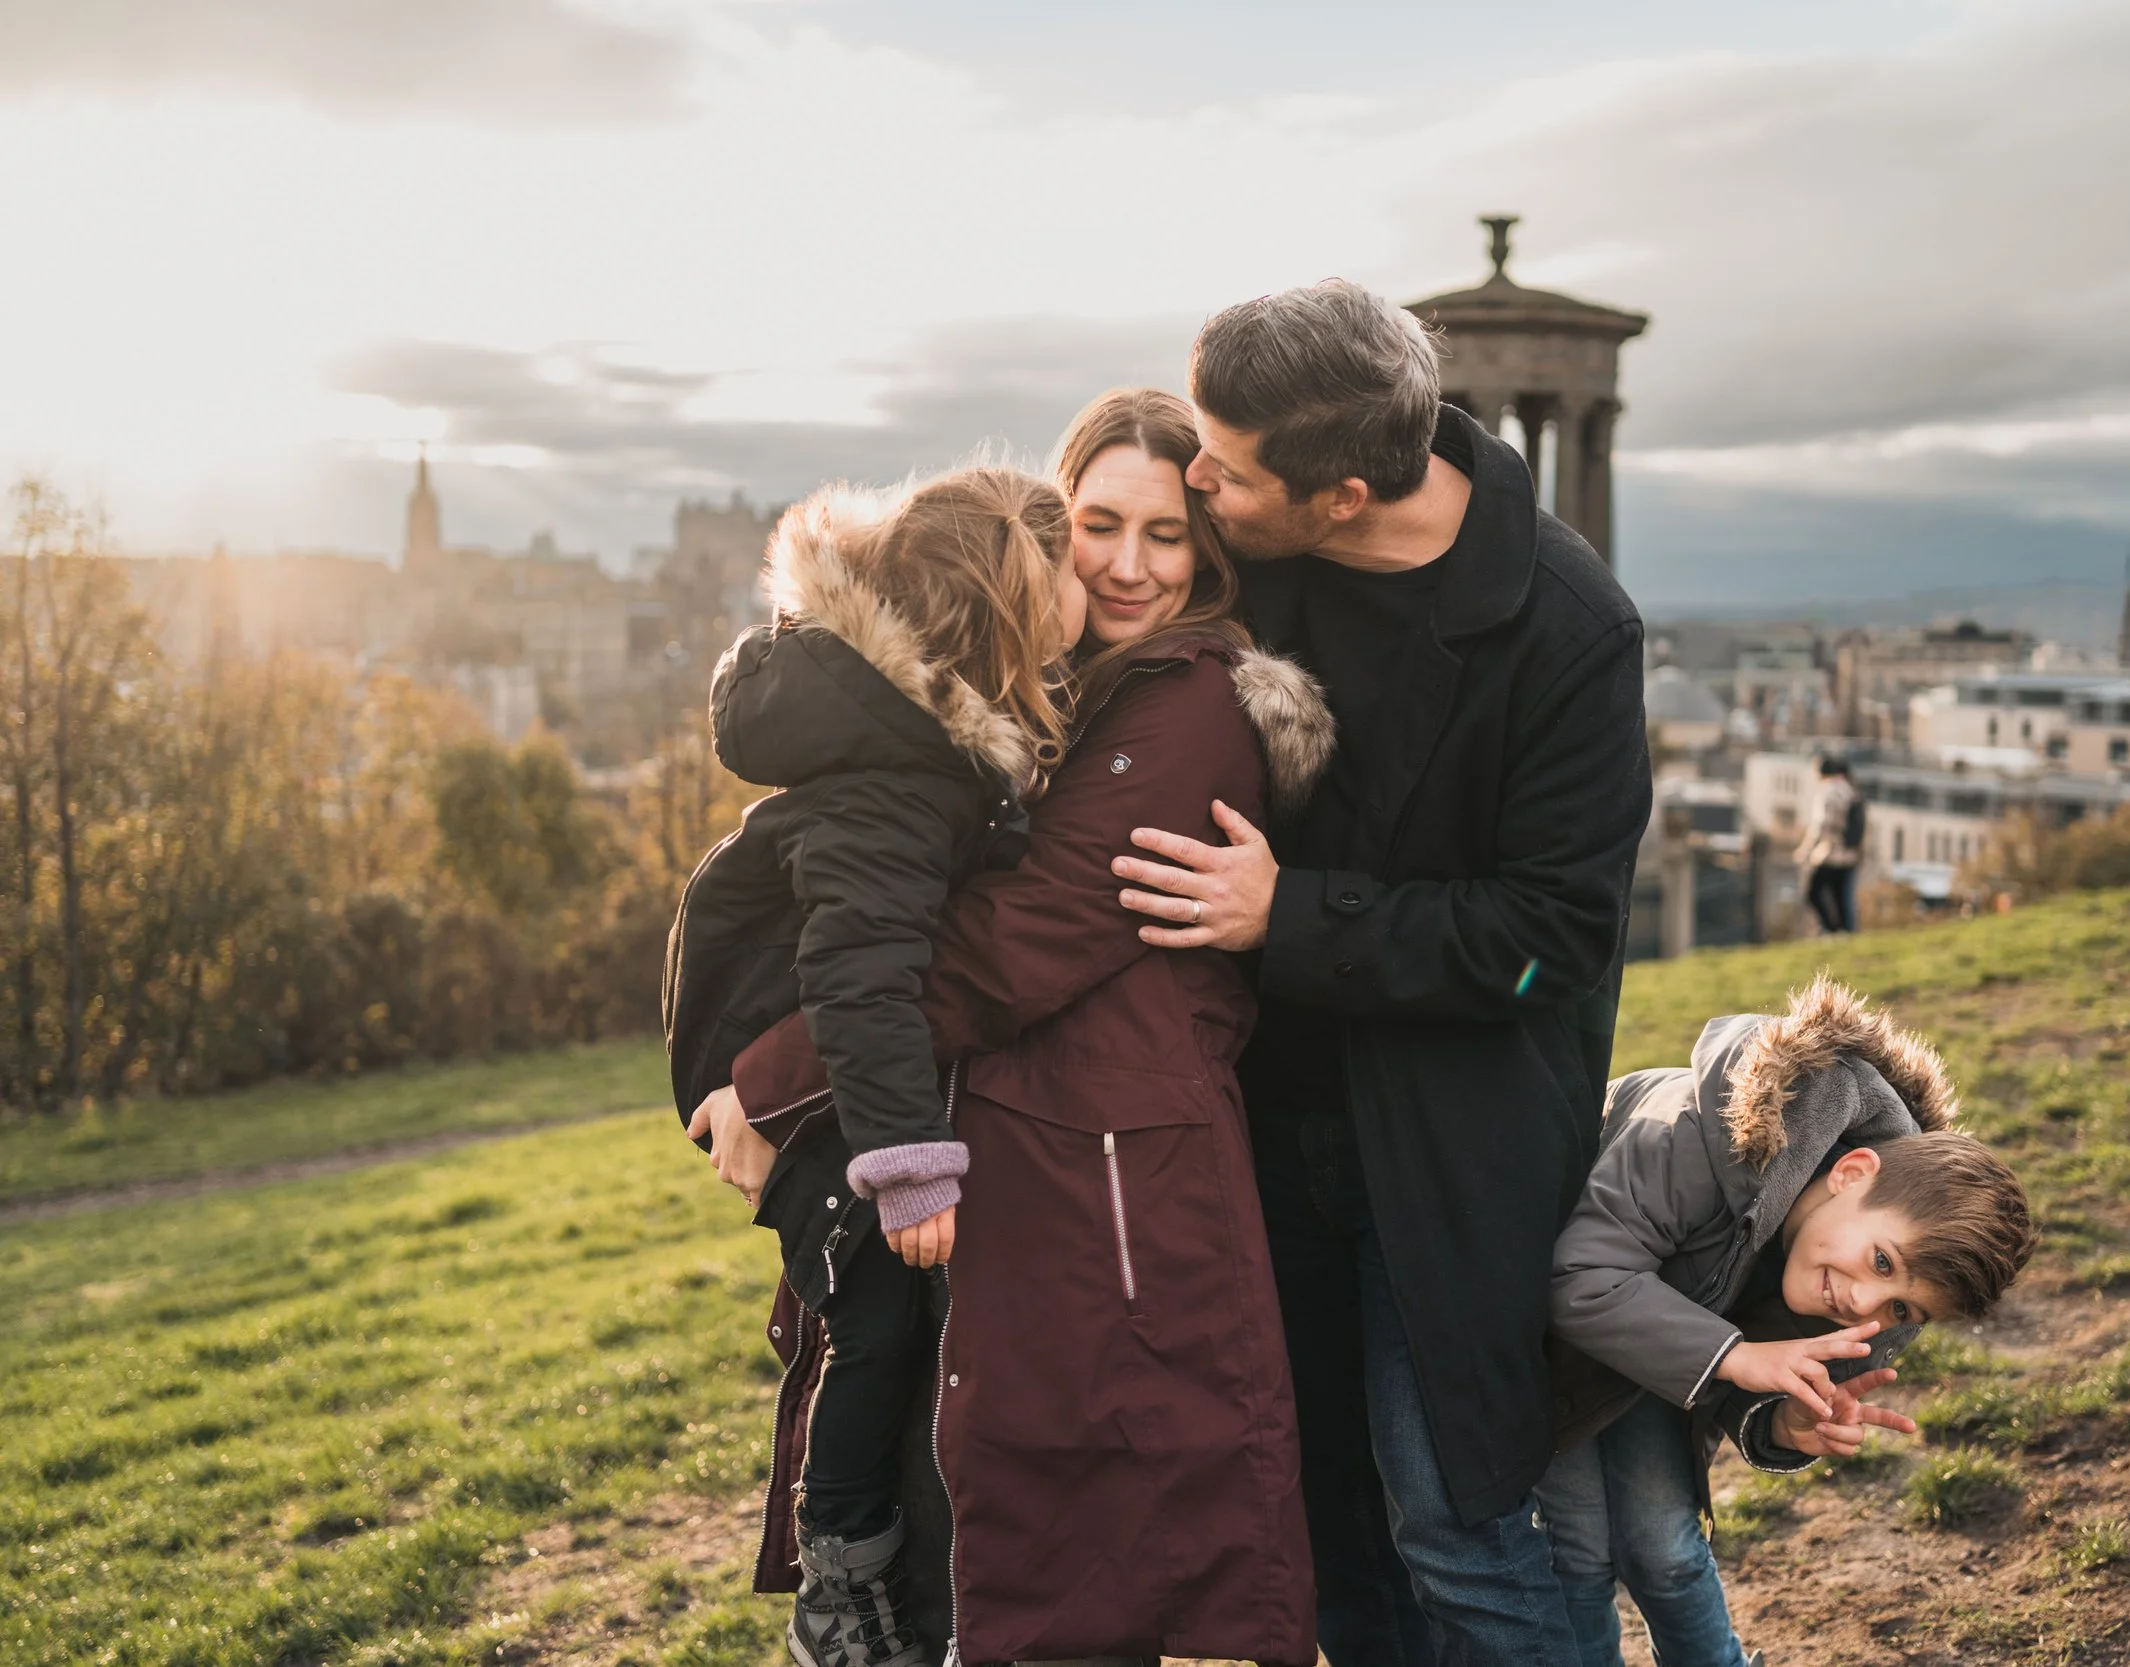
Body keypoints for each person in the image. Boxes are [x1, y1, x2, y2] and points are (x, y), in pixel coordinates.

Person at [708, 390, 1332, 1665]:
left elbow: (1012, 941)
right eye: (1097, 524)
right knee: (1014, 1538)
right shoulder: (1021, 694)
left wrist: (771, 1081)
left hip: (1110, 1177)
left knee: (1086, 1558)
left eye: (1168, 537)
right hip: (1037, 1160)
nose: (1126, 563)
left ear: (1208, 556)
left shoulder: (1183, 704)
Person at [1112, 281, 1653, 1664]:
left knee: (1456, 1526)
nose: (1195, 478)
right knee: (1315, 1521)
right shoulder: (1247, 545)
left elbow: (1550, 945)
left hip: (1446, 1150)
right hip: (1251, 1131)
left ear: (1340, 491)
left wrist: (1288, 917)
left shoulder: (1571, 629)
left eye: (1222, 465)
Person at [662, 465, 1081, 1667]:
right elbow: (858, 972)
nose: (1088, 595)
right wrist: (910, 1168)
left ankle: (863, 1572)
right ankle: (839, 1583)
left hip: (823, 1076)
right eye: (1065, 578)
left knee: (886, 1320)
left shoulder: (909, 737)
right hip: (803, 1093)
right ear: (1004, 602)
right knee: (879, 1320)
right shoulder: (897, 775)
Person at [1543, 976, 2039, 1667]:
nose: (1868, 1304)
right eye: (1880, 1261)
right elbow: (1577, 1276)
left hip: (1668, 1354)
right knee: (1580, 1548)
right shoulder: (1697, 1132)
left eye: (1903, 1308)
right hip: (1547, 1332)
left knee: (1665, 1546)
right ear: (1851, 1172)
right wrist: (1737, 1357)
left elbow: (1754, 1385)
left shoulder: (1867, 1294)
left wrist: (1786, 1421)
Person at [1797, 755, 1862, 934]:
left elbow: (1820, 825)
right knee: (1841, 896)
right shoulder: (1850, 790)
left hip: (1830, 852)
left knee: (1812, 892)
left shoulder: (1827, 792)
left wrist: (1806, 849)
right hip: (1850, 853)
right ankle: (1845, 932)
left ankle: (1831, 929)